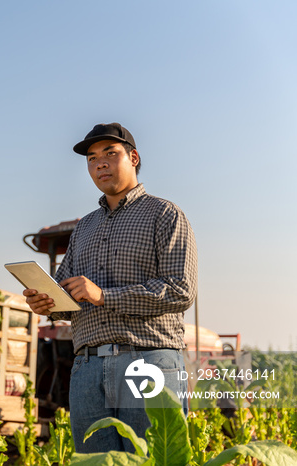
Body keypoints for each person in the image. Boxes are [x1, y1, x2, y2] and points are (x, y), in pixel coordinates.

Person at [24, 122, 197, 453]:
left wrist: (104, 295)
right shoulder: (83, 228)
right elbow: (69, 298)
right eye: (91, 158)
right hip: (87, 368)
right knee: (94, 461)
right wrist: (48, 302)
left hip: (147, 362)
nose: (99, 163)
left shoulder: (165, 215)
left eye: (110, 153)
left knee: (151, 459)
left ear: (133, 157)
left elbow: (180, 290)